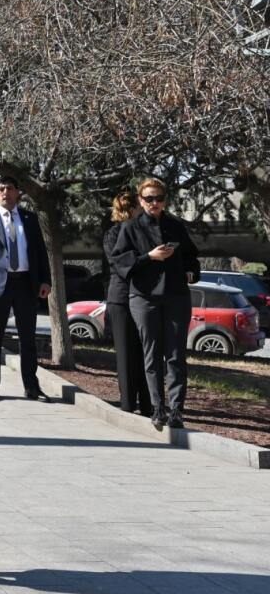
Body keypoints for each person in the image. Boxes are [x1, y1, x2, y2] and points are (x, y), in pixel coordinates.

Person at [112, 178, 200, 430]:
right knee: (151, 354)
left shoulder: (175, 226)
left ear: (165, 200)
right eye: (149, 198)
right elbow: (120, 262)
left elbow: (192, 258)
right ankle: (156, 408)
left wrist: (191, 273)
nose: (154, 203)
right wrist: (149, 257)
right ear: (140, 200)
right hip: (144, 298)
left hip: (176, 297)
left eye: (159, 198)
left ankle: (177, 411)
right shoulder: (130, 228)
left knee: (175, 355)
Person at [0, 175, 53, 402]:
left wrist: (45, 280)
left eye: (9, 188)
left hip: (26, 284)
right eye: (0, 189)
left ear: (18, 192)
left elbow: (40, 252)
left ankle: (32, 387)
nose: (5, 192)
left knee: (27, 338)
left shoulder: (29, 219)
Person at [104, 191, 152, 417]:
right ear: (131, 209)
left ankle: (148, 402)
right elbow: (121, 264)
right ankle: (128, 404)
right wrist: (149, 258)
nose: (145, 209)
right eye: (141, 205)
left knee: (145, 352)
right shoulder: (113, 234)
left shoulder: (143, 232)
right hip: (121, 298)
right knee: (125, 353)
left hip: (144, 297)